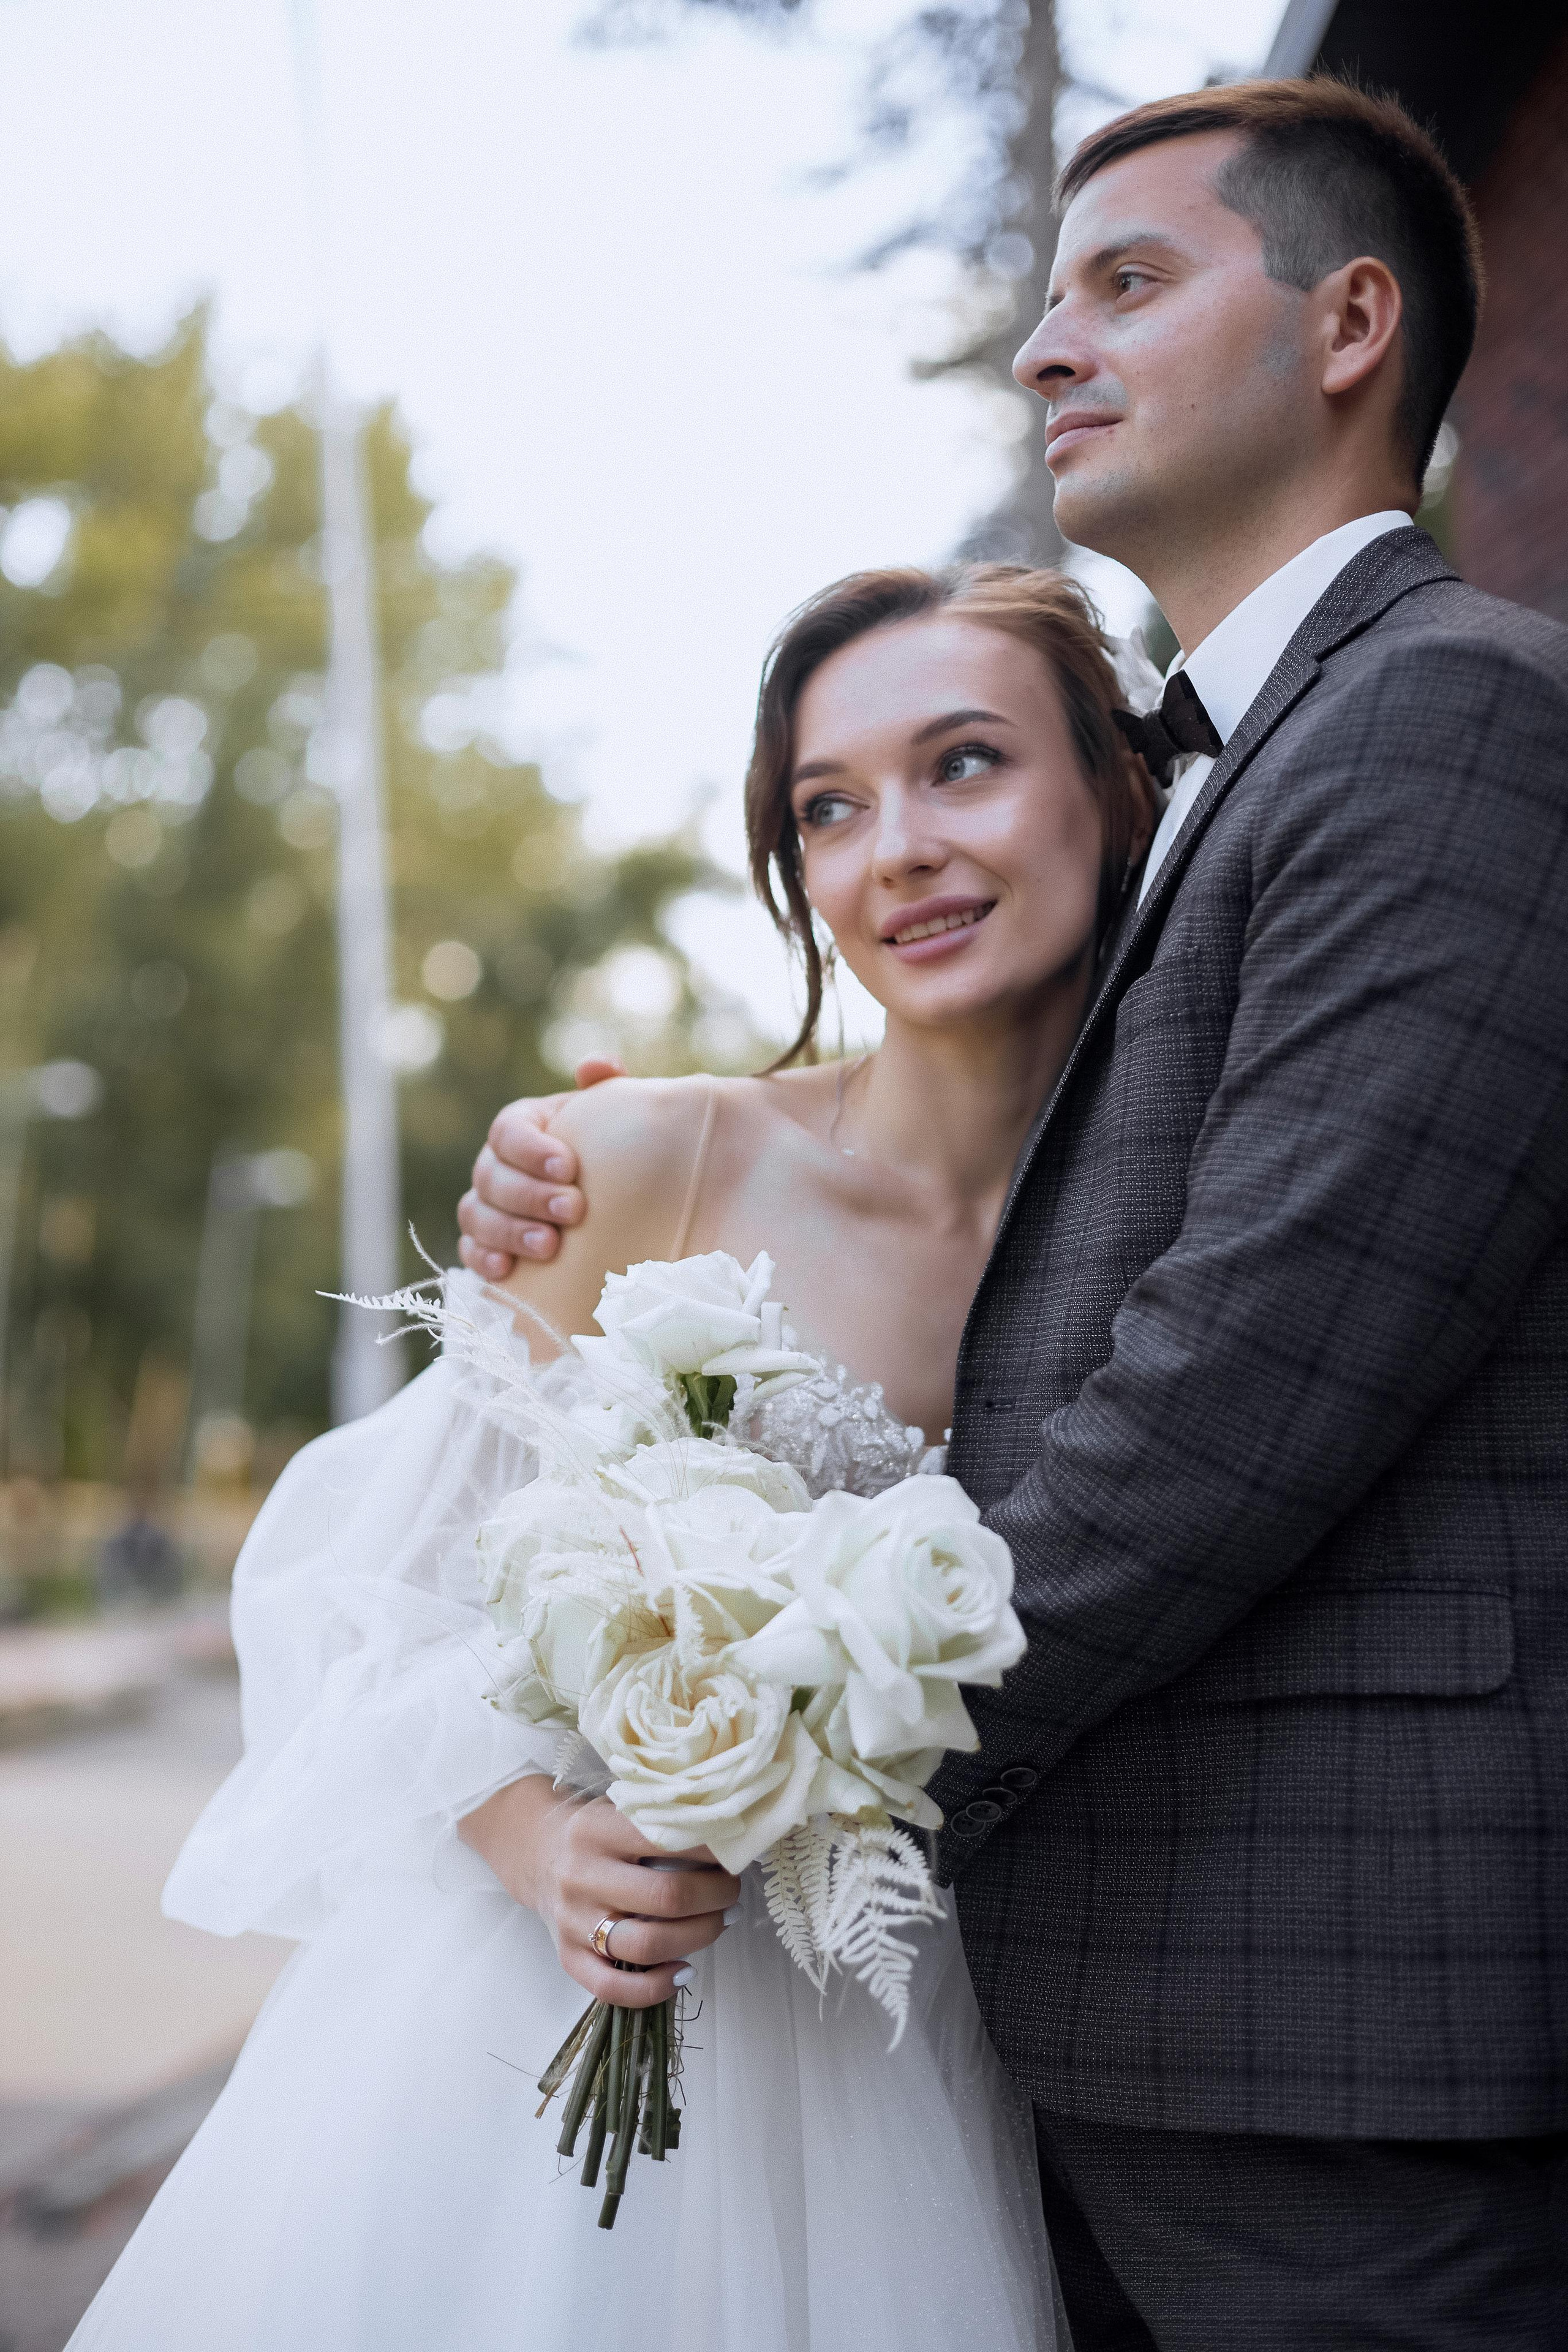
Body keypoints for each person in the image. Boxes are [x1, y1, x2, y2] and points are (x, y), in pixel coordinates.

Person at [462, 77, 1568, 2350]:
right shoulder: (1261, 778)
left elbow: (1245, 1377)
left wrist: (786, 1757)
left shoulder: (1445, 719)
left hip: (1330, 2022)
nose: (1051, 350)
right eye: (830, 810)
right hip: (1103, 2026)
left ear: (1355, 322)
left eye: (1132, 288)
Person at [66, 562, 1159, 2351]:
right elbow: (372, 1598)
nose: (898, 849)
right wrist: (539, 1842)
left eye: (965, 766)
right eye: (831, 804)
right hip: (540, 2035)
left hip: (930, 2054)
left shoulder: (1169, 1229)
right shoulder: (642, 1165)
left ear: (1113, 792)